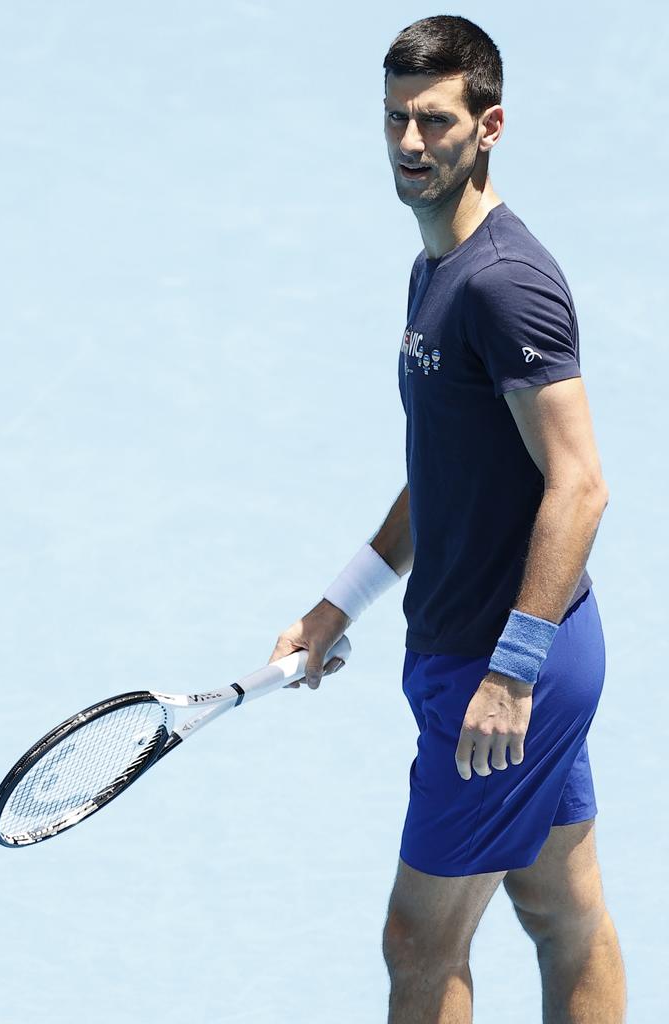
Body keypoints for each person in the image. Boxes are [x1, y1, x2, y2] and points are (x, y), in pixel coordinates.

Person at [267, 14, 627, 1024]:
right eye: (394, 121)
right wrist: (340, 604)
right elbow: (448, 476)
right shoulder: (436, 271)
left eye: (433, 121)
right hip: (485, 653)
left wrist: (511, 671)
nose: (409, 144)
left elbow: (581, 483)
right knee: (561, 906)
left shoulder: (505, 286)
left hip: (504, 669)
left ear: (490, 125)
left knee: (420, 939)